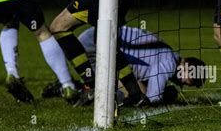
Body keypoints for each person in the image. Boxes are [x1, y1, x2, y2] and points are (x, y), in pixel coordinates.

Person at [43, 26, 207, 106]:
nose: (185, 83)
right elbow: (152, 98)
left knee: (125, 87)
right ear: (186, 65)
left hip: (94, 40)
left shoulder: (167, 53)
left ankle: (72, 86)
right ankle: (72, 89)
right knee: (129, 98)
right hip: (95, 47)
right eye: (190, 78)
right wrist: (166, 97)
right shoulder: (170, 62)